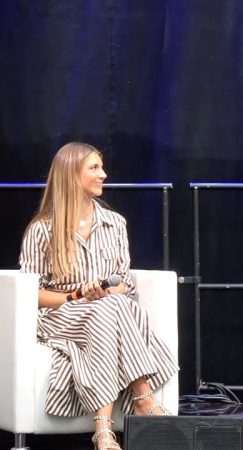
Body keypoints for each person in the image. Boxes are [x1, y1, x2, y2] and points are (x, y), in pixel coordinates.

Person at [19, 142, 179, 450]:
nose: (103, 174)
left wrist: (105, 290)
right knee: (111, 308)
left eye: (101, 167)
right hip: (60, 314)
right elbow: (31, 293)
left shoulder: (115, 223)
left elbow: (124, 284)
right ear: (71, 174)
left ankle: (103, 429)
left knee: (111, 305)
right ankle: (143, 398)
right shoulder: (42, 230)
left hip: (107, 310)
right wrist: (77, 295)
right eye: (94, 168)